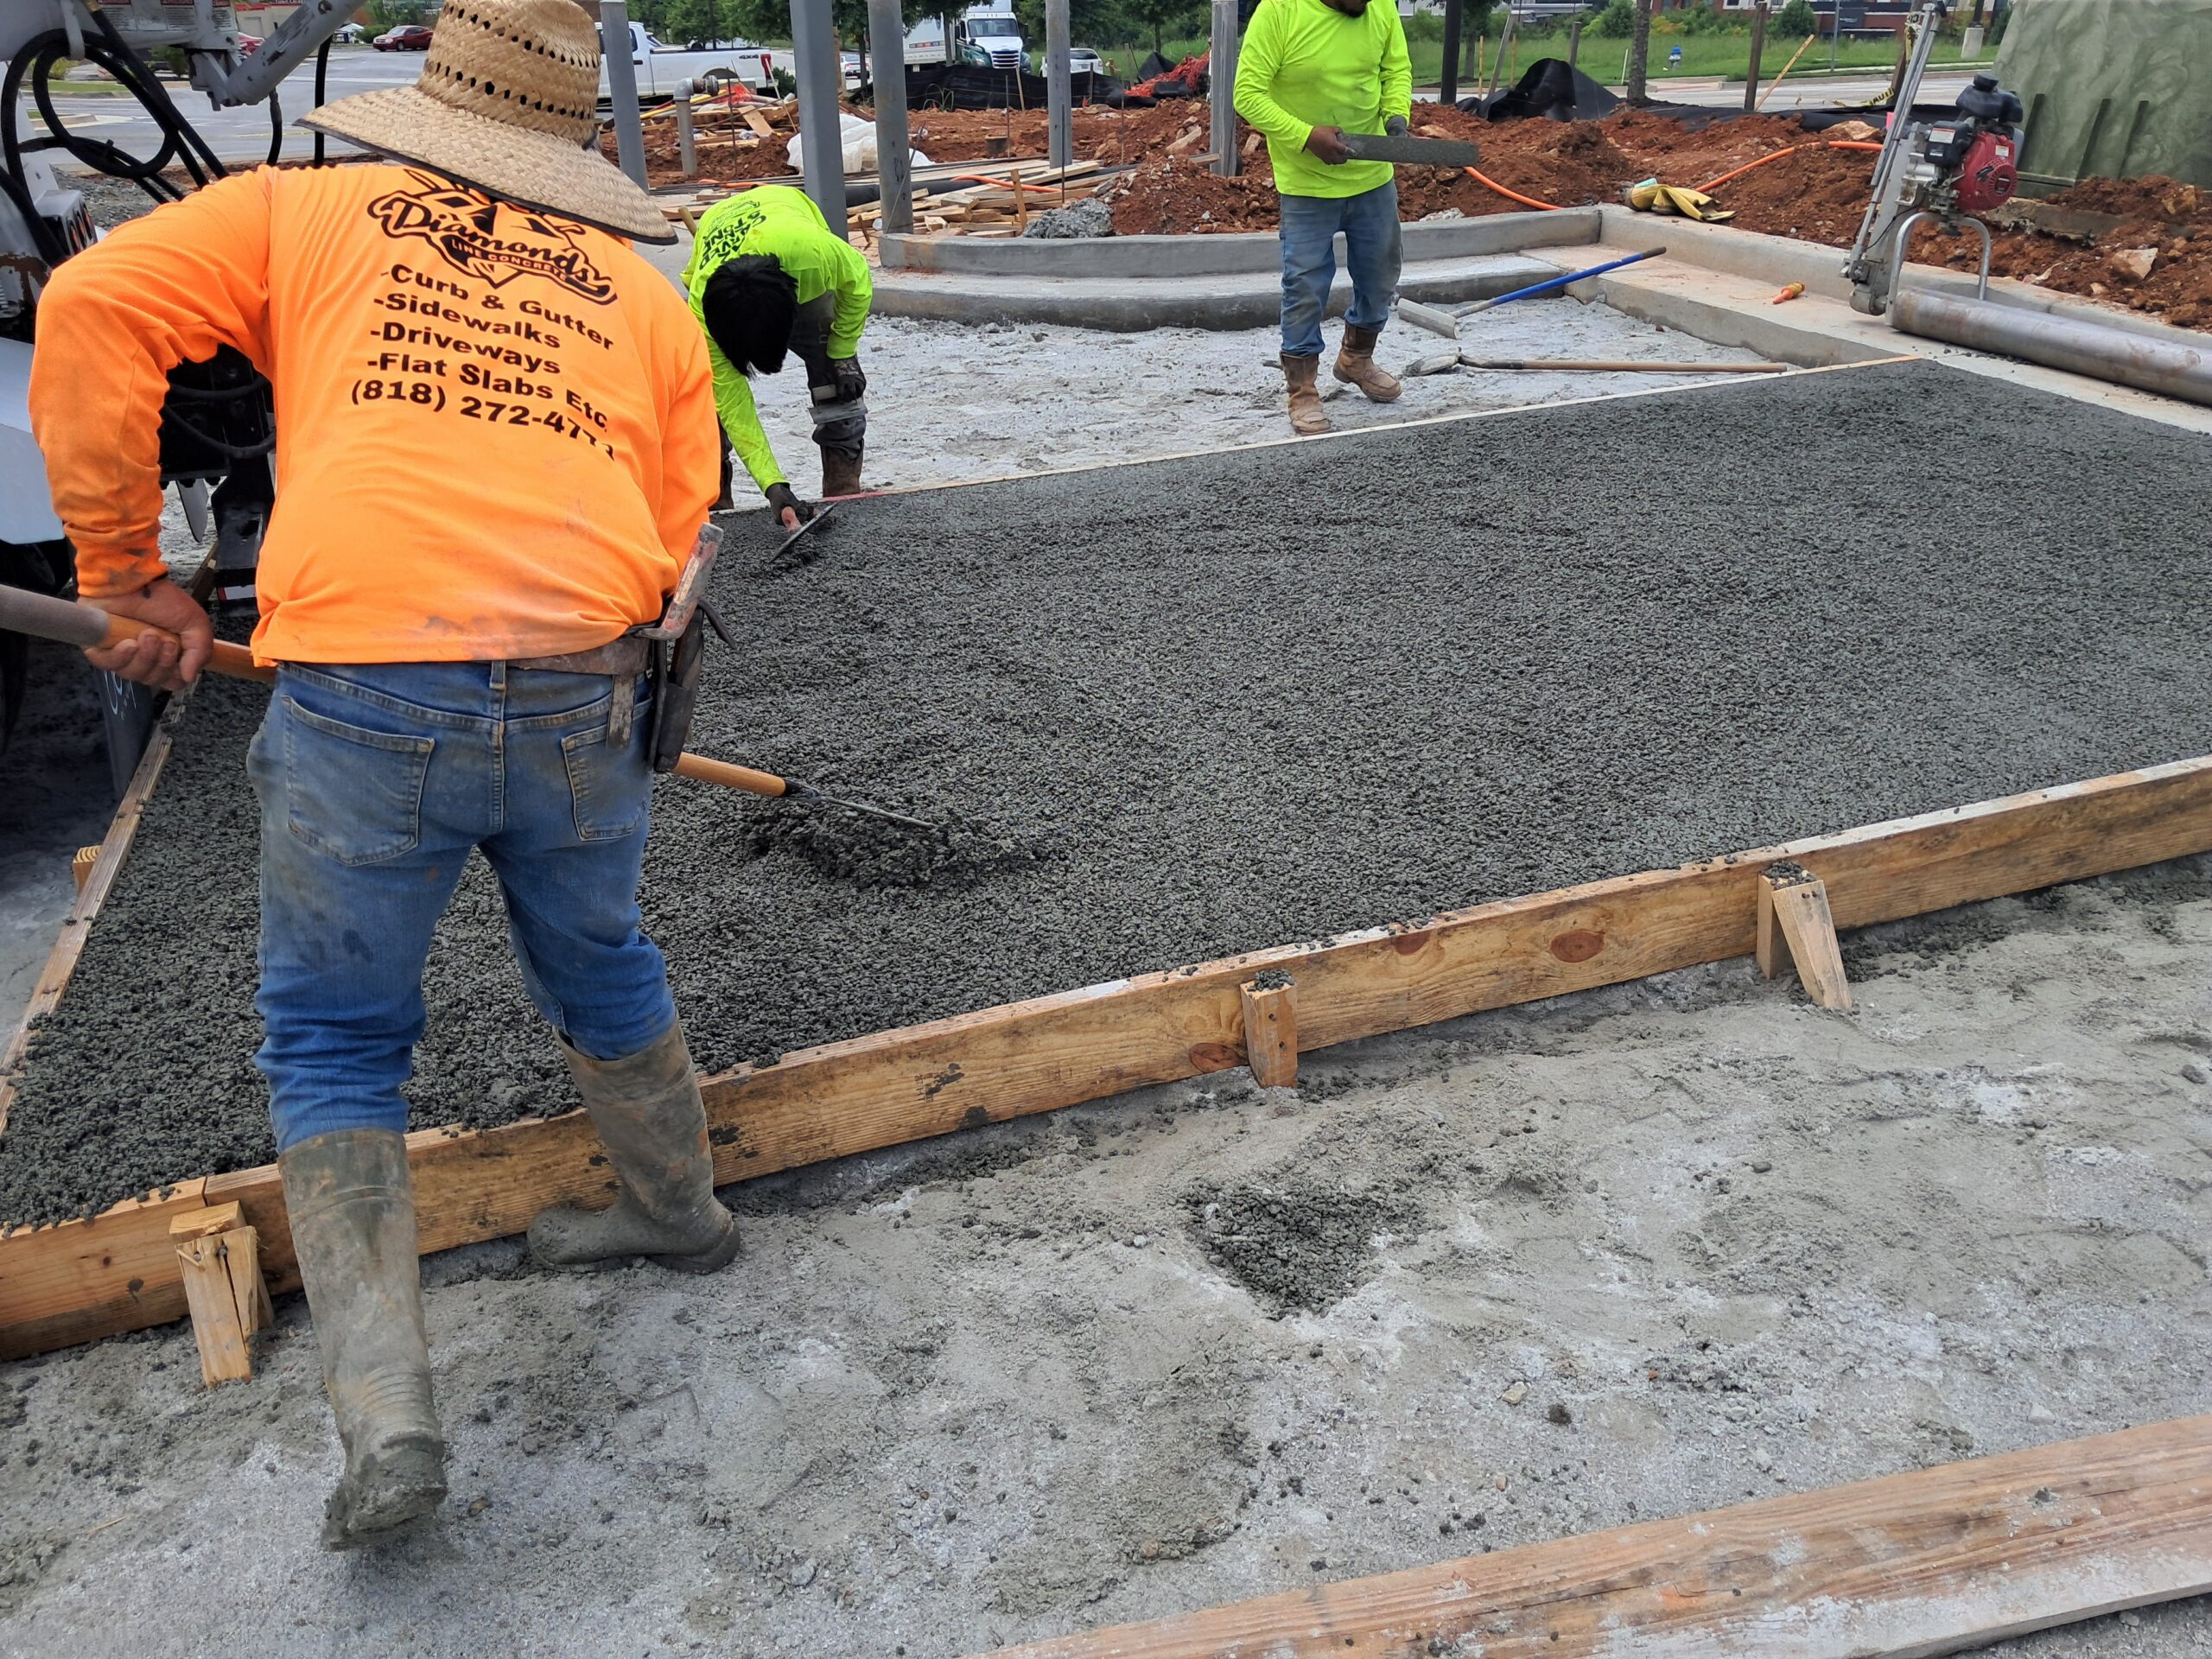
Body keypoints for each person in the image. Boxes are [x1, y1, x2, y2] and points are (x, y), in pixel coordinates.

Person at [29, 0, 733, 1551]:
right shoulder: (635, 292)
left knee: (337, 1040)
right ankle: (680, 1213)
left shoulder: (298, 212)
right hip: (585, 685)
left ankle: (391, 1415)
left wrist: (124, 572)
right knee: (601, 954)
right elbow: (686, 516)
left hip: (366, 697)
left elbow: (92, 303)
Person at [1233, 0, 1413, 435]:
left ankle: (1356, 358)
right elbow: (1247, 94)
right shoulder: (1280, 11)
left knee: (1380, 275)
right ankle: (1303, 391)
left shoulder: (1379, 6)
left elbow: (1395, 69)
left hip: (1371, 176)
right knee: (1305, 285)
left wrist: (1396, 116)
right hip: (1306, 182)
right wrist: (1305, 136)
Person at [682, 184, 873, 526]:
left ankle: (842, 489)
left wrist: (842, 352)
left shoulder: (815, 255)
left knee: (835, 376)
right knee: (707, 393)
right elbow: (735, 405)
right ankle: (717, 501)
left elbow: (858, 282)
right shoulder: (706, 309)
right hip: (719, 225)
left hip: (789, 232)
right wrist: (773, 485)